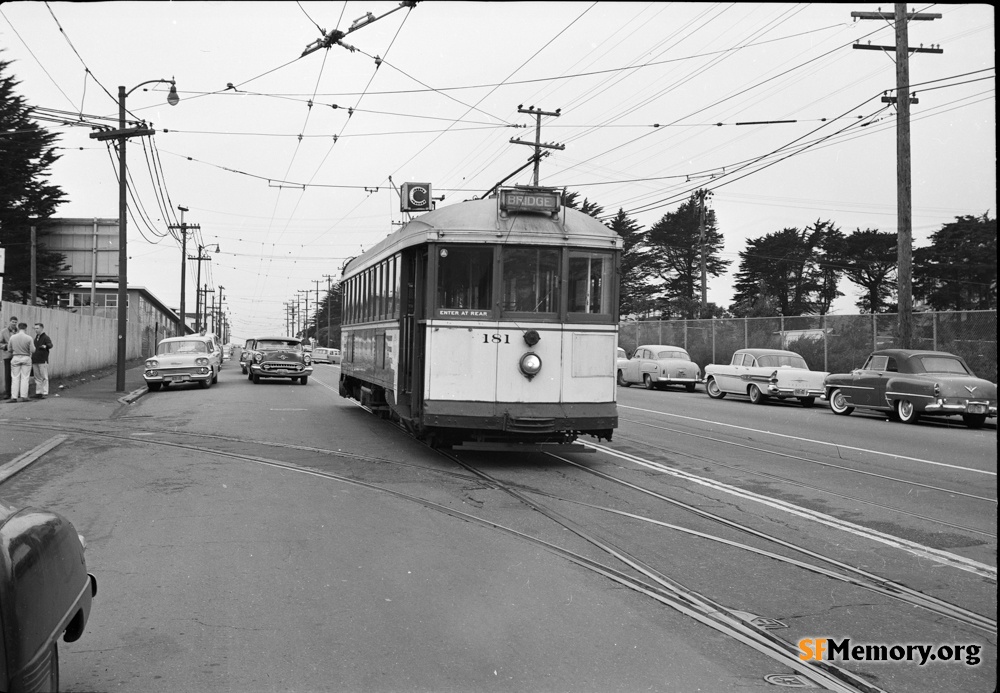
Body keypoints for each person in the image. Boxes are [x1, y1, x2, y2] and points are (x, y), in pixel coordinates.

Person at [4, 322, 35, 403]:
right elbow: (33, 350)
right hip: (26, 357)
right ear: (26, 328)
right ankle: (24, 396)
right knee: (25, 377)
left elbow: (9, 349)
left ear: (18, 328)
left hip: (16, 357)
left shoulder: (12, 337)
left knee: (15, 378)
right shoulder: (29, 338)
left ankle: (14, 397)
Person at [32, 322, 54, 399]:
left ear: (41, 328)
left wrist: (46, 346)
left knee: (44, 376)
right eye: (35, 328)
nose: (36, 330)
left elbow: (50, 345)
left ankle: (45, 392)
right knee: (37, 377)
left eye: (37, 328)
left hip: (42, 359)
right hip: (35, 359)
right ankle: (38, 392)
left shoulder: (45, 337)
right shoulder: (36, 338)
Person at [1, 315, 19, 398]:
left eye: (15, 322)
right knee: (8, 374)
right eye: (13, 322)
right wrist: (6, 346)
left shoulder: (19, 332)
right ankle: (8, 393)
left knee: (17, 374)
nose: (14, 323)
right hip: (8, 356)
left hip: (17, 356)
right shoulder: (3, 332)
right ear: (9, 322)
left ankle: (16, 392)